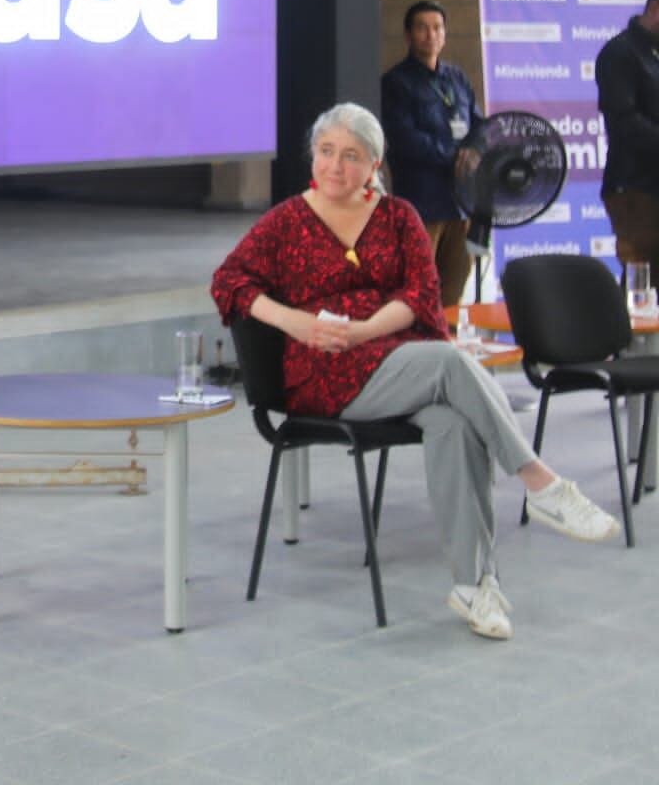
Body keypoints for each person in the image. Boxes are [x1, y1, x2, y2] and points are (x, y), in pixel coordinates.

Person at [212, 103, 620, 641]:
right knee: (452, 363)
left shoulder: (399, 216)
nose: (335, 166)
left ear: (374, 164)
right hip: (324, 374)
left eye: (350, 156)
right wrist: (292, 320)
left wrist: (366, 330)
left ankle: (476, 586)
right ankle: (538, 482)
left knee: (451, 422)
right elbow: (229, 281)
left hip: (395, 356)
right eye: (326, 152)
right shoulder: (287, 220)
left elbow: (420, 297)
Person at [381, 0, 485, 307]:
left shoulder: (458, 78)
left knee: (454, 289)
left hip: (461, 203)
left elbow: (480, 126)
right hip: (422, 205)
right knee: (419, 288)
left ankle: (449, 344)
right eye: (422, 28)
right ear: (408, 35)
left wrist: (476, 150)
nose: (431, 34)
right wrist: (455, 156)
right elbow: (404, 139)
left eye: (437, 27)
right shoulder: (396, 83)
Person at [595, 0, 659, 267]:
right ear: (655, 9)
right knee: (642, 281)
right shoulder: (619, 53)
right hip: (635, 189)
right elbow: (624, 122)